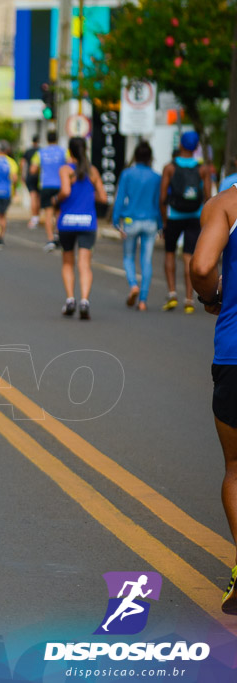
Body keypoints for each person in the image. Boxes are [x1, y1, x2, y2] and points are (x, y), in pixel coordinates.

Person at [191, 183, 237, 614]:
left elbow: (203, 265)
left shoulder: (227, 203)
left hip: (236, 355)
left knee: (236, 469)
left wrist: (211, 298)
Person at [160, 131, 214, 313]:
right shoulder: (203, 169)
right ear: (196, 147)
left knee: (169, 253)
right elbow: (208, 198)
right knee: (189, 257)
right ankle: (189, 299)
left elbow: (162, 198)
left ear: (180, 145)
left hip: (174, 216)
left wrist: (164, 221)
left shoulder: (170, 167)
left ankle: (172, 294)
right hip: (194, 217)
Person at [56, 136, 107, 320]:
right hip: (88, 222)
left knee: (68, 262)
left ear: (70, 151)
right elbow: (103, 198)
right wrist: (88, 195)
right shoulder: (92, 171)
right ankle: (84, 300)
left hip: (67, 221)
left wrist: (56, 199)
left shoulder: (65, 169)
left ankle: (70, 299)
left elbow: (65, 192)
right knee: (84, 264)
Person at [112, 141, 161, 311]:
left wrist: (115, 220)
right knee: (146, 261)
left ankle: (133, 284)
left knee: (128, 257)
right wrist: (160, 225)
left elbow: (119, 199)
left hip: (130, 221)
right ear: (150, 157)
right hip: (151, 221)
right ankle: (143, 301)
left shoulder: (127, 174)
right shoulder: (156, 177)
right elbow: (159, 203)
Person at [35, 130, 67, 252]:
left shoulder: (40, 153)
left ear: (47, 139)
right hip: (60, 185)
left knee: (48, 213)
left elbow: (33, 169)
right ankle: (58, 235)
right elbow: (70, 165)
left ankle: (50, 240)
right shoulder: (63, 152)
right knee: (59, 212)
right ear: (57, 139)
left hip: (46, 185)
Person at [22, 134, 41, 229]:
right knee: (39, 197)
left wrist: (22, 175)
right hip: (40, 176)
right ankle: (37, 216)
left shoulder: (28, 151)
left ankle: (34, 217)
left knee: (33, 196)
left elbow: (23, 163)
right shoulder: (41, 151)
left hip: (31, 175)